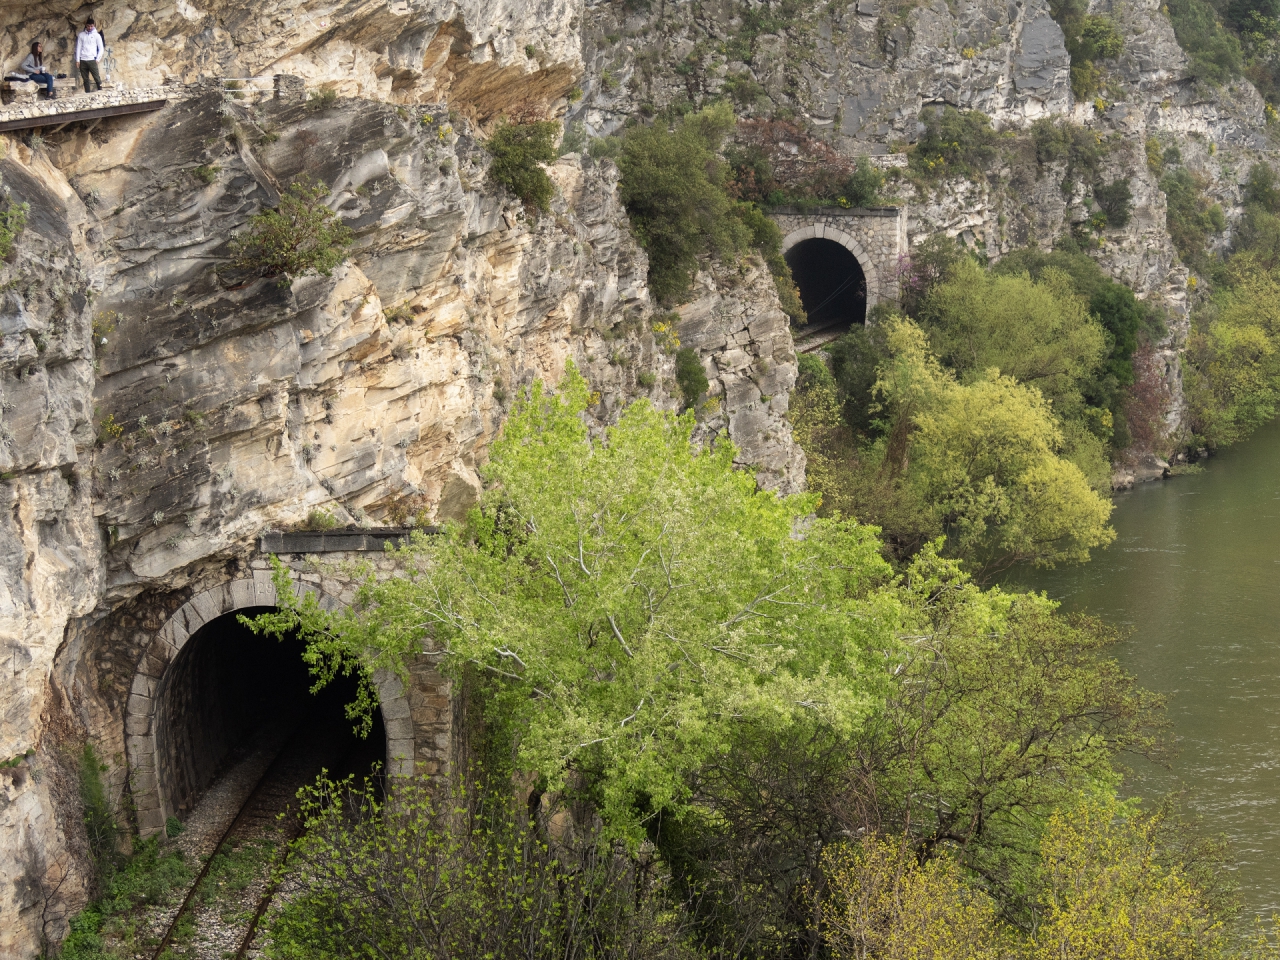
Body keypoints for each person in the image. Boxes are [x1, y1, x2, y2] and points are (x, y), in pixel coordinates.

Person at [75, 18, 103, 93]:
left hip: (92, 59)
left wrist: (97, 59)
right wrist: (77, 60)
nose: (90, 28)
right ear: (86, 26)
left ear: (93, 25)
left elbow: (101, 48)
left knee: (97, 77)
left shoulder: (97, 35)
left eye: (91, 26)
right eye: (88, 26)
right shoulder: (81, 35)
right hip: (83, 59)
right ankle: (87, 93)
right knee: (85, 79)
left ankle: (101, 92)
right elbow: (78, 47)